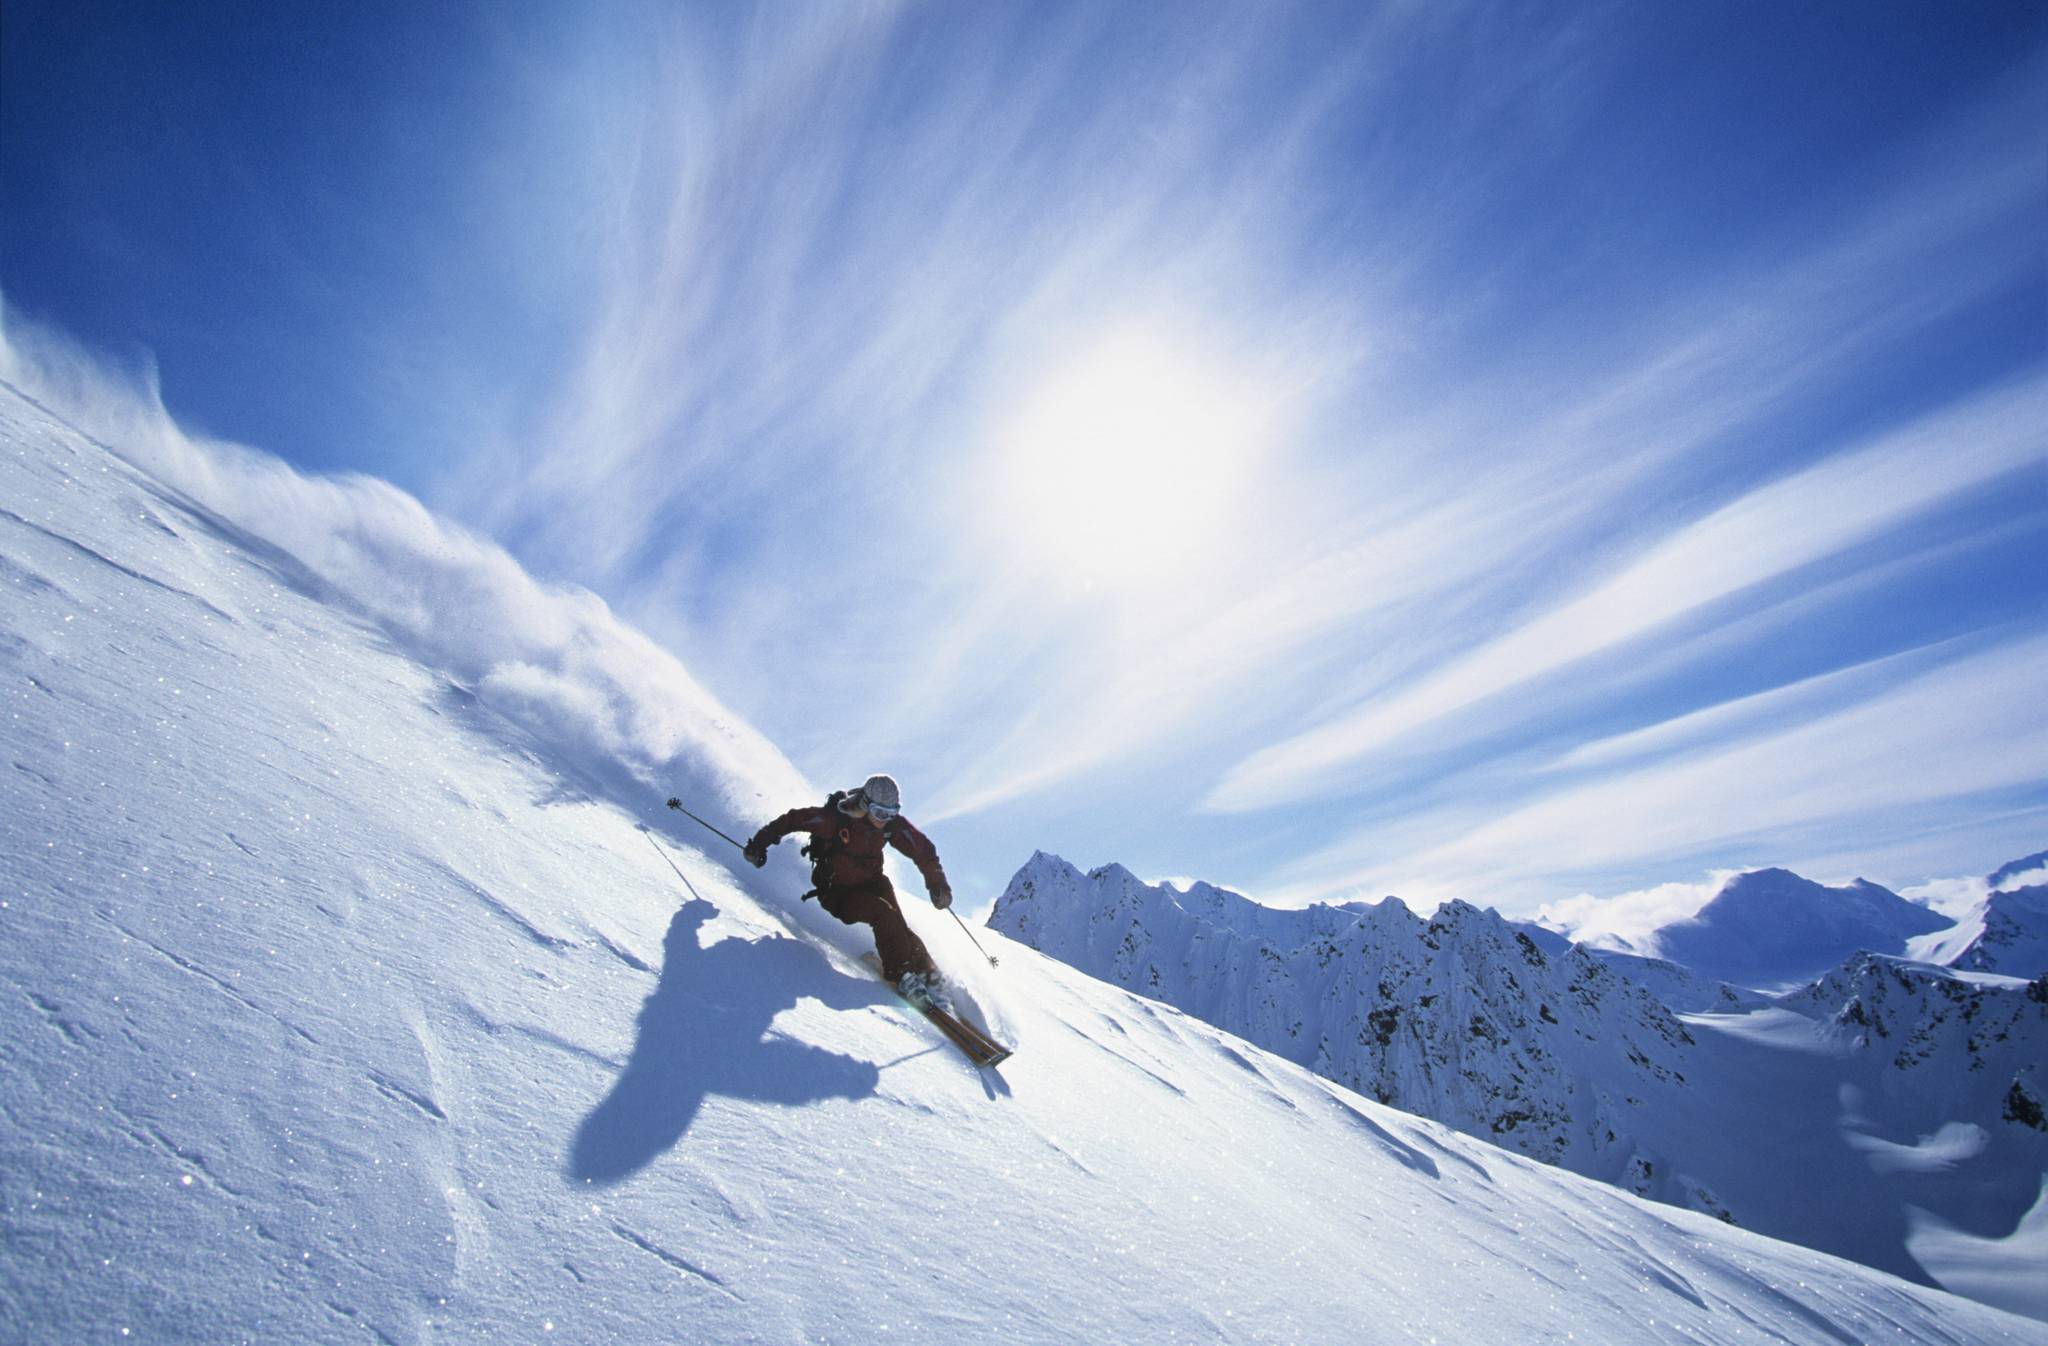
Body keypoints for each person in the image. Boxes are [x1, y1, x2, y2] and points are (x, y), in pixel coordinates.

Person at [743, 774, 953, 999]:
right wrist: (758, 845)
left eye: (891, 814)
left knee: (897, 925)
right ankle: (901, 975)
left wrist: (938, 885)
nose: (884, 820)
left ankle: (930, 976)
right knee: (883, 914)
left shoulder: (890, 825)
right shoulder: (834, 821)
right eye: (880, 813)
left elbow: (922, 849)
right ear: (865, 805)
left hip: (872, 883)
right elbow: (793, 820)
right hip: (837, 892)